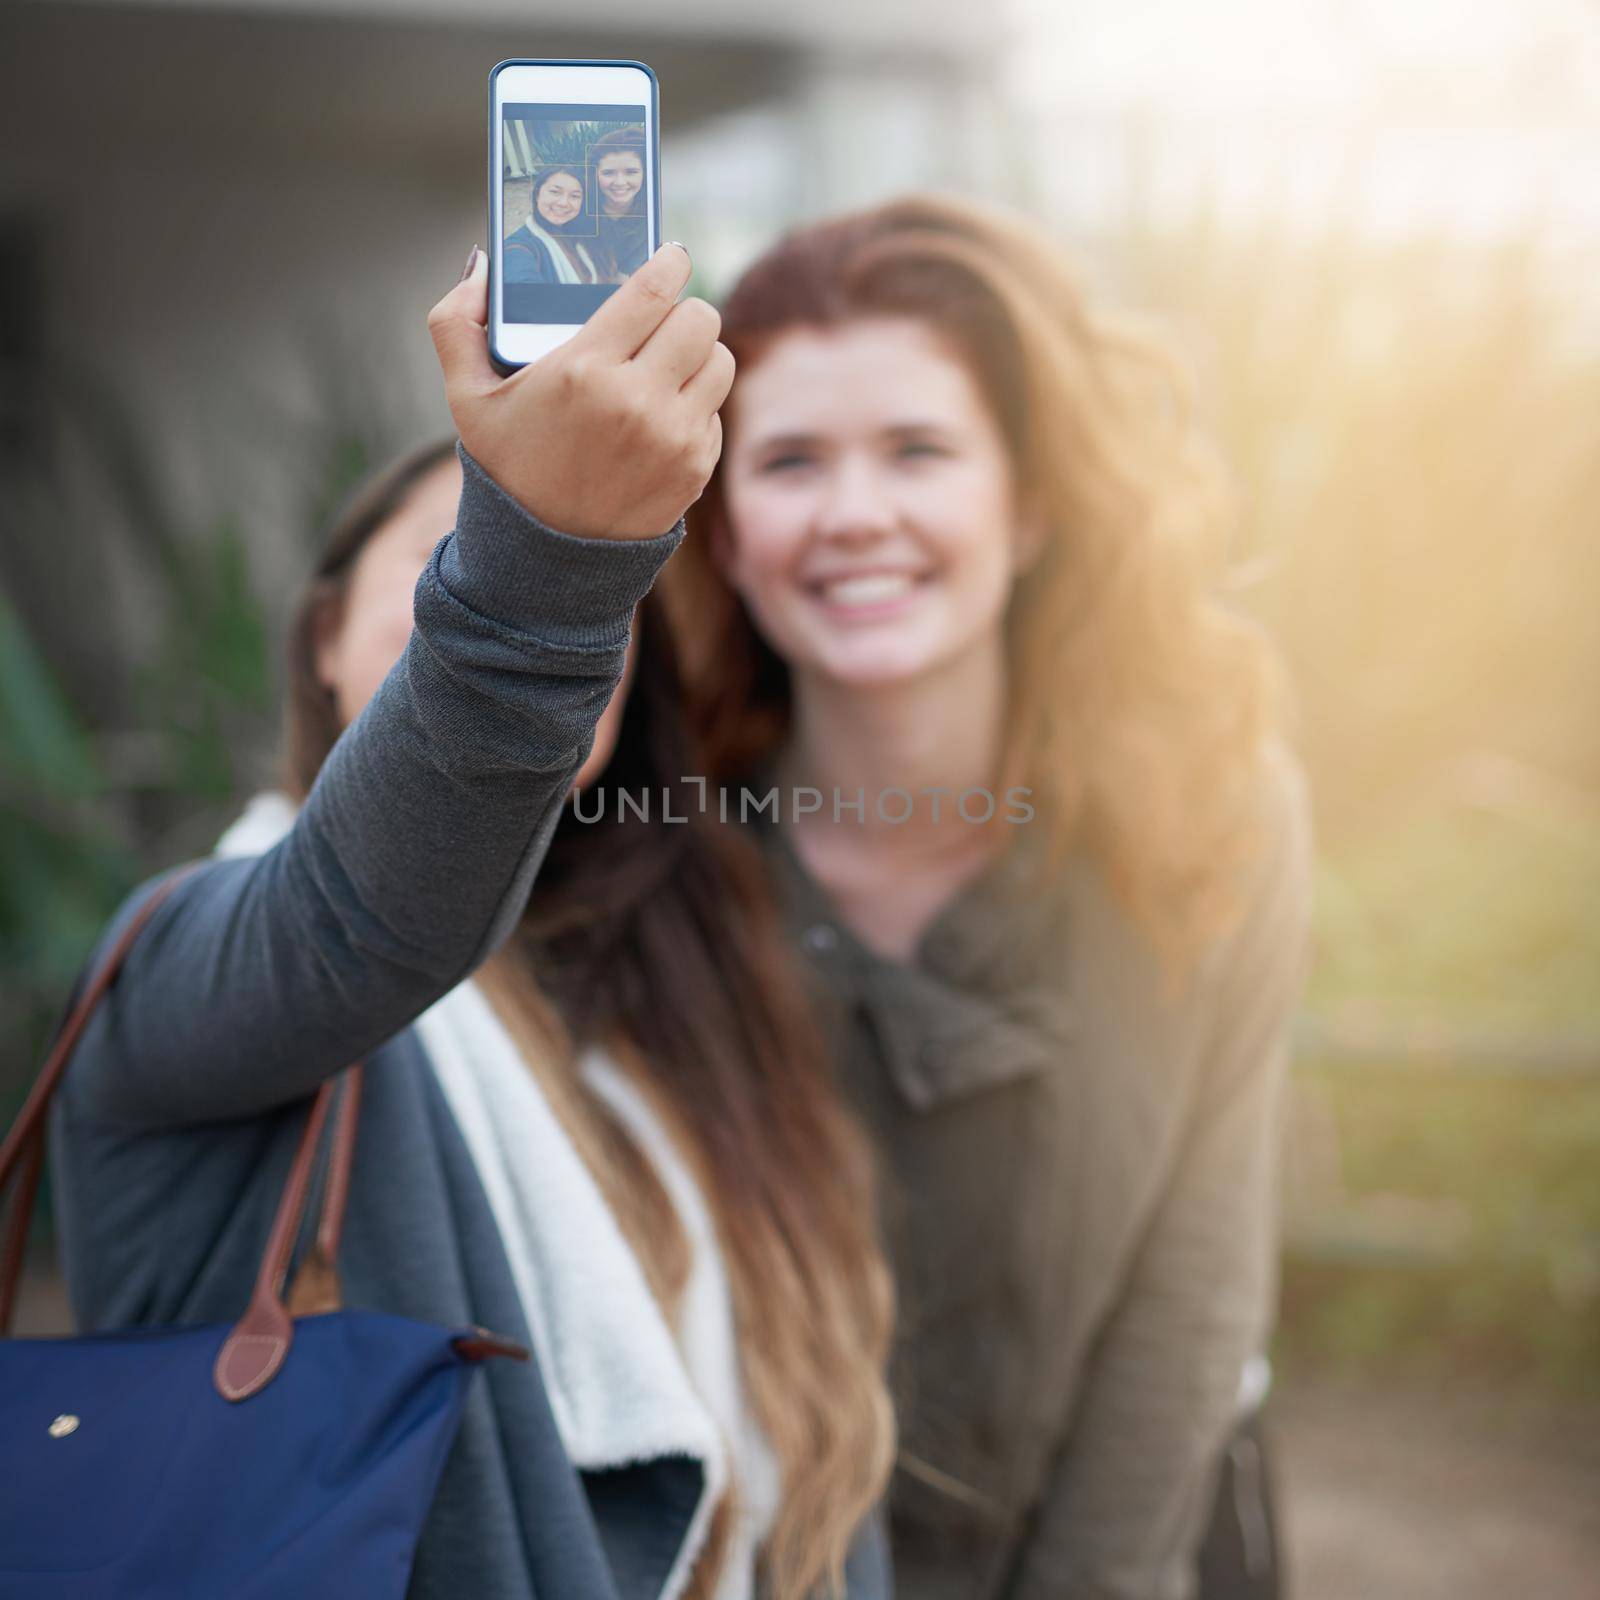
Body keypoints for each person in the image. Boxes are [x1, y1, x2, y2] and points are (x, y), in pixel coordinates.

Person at [48, 243, 895, 1600]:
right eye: (452, 564)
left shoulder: (654, 1021)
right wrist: (545, 555)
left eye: (602, 611)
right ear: (323, 637)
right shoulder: (194, 965)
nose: (490, 603)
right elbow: (366, 924)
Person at [664, 195, 1314, 1600]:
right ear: (722, 531)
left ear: (1030, 506)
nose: (855, 515)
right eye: (787, 462)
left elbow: (1192, 1305)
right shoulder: (656, 857)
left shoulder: (1216, 815)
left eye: (918, 450)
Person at [503, 164, 602, 284]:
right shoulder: (518, 247)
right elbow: (522, 286)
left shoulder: (579, 236)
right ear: (537, 195)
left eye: (575, 196)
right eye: (555, 192)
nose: (564, 203)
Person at [590, 125, 650, 281]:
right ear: (595, 174)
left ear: (645, 172)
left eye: (631, 172)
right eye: (608, 173)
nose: (620, 182)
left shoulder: (653, 212)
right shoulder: (578, 209)